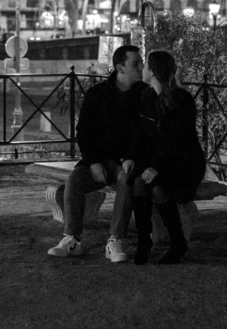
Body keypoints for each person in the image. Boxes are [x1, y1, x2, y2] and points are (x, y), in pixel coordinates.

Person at [47, 44, 148, 261]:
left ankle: (115, 239)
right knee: (74, 180)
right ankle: (72, 238)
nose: (142, 67)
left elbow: (144, 133)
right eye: (136, 63)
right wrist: (93, 161)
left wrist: (130, 156)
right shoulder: (97, 94)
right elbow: (83, 131)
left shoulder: (145, 95)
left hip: (126, 161)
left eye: (141, 63)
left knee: (127, 180)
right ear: (120, 67)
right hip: (98, 159)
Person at [123, 49, 207, 264]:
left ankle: (178, 243)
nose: (142, 69)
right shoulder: (148, 96)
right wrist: (130, 157)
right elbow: (140, 133)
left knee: (157, 185)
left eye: (145, 65)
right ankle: (144, 241)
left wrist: (156, 166)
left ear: (153, 71)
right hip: (160, 160)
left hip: (184, 162)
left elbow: (178, 140)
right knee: (139, 182)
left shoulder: (181, 99)